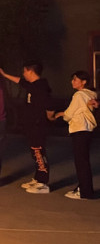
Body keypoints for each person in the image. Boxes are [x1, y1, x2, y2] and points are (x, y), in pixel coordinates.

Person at [0, 61, 53, 193]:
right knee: (34, 152)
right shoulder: (32, 85)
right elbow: (20, 81)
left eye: (24, 71)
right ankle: (38, 179)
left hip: (37, 125)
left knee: (39, 152)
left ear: (30, 71)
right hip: (31, 125)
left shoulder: (41, 86)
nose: (23, 74)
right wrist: (4, 74)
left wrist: (49, 115)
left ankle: (43, 183)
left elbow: (48, 103)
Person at [51, 71, 97, 200]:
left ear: (83, 82)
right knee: (84, 161)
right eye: (73, 79)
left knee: (81, 162)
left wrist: (62, 115)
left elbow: (69, 114)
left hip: (79, 129)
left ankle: (85, 192)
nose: (73, 82)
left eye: (76, 79)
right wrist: (63, 113)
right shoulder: (90, 94)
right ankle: (84, 188)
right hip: (87, 130)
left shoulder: (79, 95)